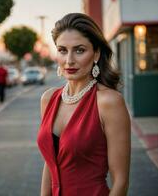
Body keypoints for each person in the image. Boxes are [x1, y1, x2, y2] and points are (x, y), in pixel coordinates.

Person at [37, 13, 131, 196]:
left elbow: (121, 181)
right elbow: (50, 163)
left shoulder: (108, 102)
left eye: (79, 50)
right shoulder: (48, 99)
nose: (69, 60)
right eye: (62, 50)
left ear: (96, 53)